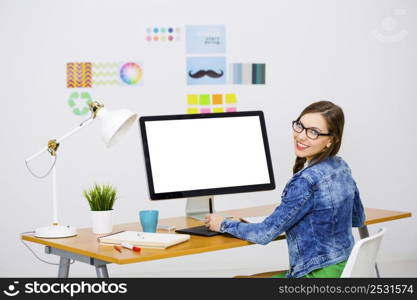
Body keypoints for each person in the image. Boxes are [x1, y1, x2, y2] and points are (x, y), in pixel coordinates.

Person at [204, 100, 365, 278]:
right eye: (300, 126)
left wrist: (223, 224)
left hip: (315, 274)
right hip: (346, 269)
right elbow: (358, 218)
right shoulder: (341, 167)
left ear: (330, 140)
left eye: (313, 132)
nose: (301, 136)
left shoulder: (306, 181)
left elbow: (264, 234)